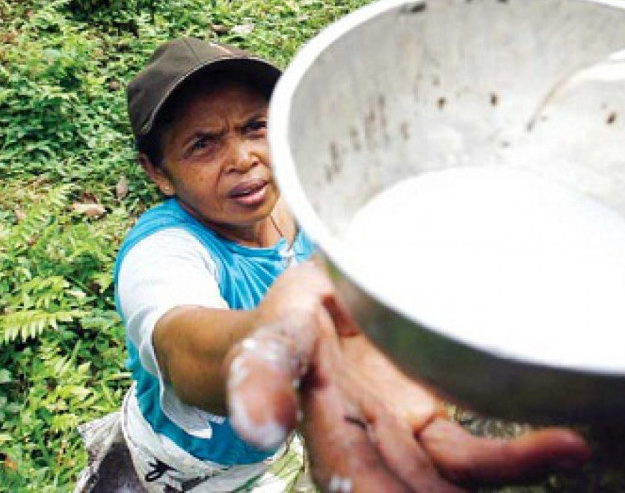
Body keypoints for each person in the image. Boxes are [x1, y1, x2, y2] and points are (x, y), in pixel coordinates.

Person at [78, 37, 590, 492]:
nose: (242, 158)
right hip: (181, 469)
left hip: (277, 450)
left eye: (255, 126)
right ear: (157, 172)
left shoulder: (308, 204)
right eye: (202, 144)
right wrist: (277, 340)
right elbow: (180, 346)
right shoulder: (163, 250)